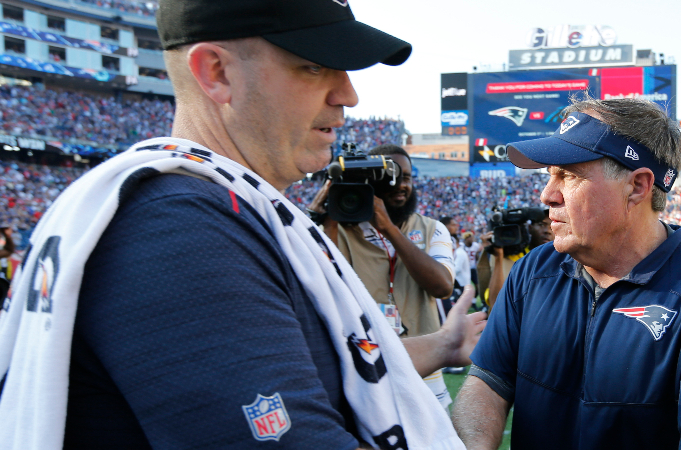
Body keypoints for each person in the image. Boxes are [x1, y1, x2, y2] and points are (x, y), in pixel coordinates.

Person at [0, 1, 486, 449]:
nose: (349, 94)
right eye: (314, 66)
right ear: (216, 72)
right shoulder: (181, 227)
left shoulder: (215, 208)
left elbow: (332, 369)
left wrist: (443, 344)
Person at [452, 97, 681, 450]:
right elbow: (488, 381)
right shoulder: (534, 270)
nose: (547, 195)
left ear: (637, 186)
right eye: (549, 175)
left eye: (569, 175)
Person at [312, 144, 457, 410]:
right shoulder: (340, 230)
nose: (401, 185)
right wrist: (327, 219)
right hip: (367, 379)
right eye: (392, 177)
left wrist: (389, 229)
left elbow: (442, 287)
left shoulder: (432, 228)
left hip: (426, 381)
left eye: (407, 177)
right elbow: (321, 287)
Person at [477, 207, 551, 308]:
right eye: (541, 224)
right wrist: (498, 256)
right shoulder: (512, 257)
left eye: (552, 226)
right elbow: (497, 304)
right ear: (530, 228)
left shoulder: (562, 259)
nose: (547, 231)